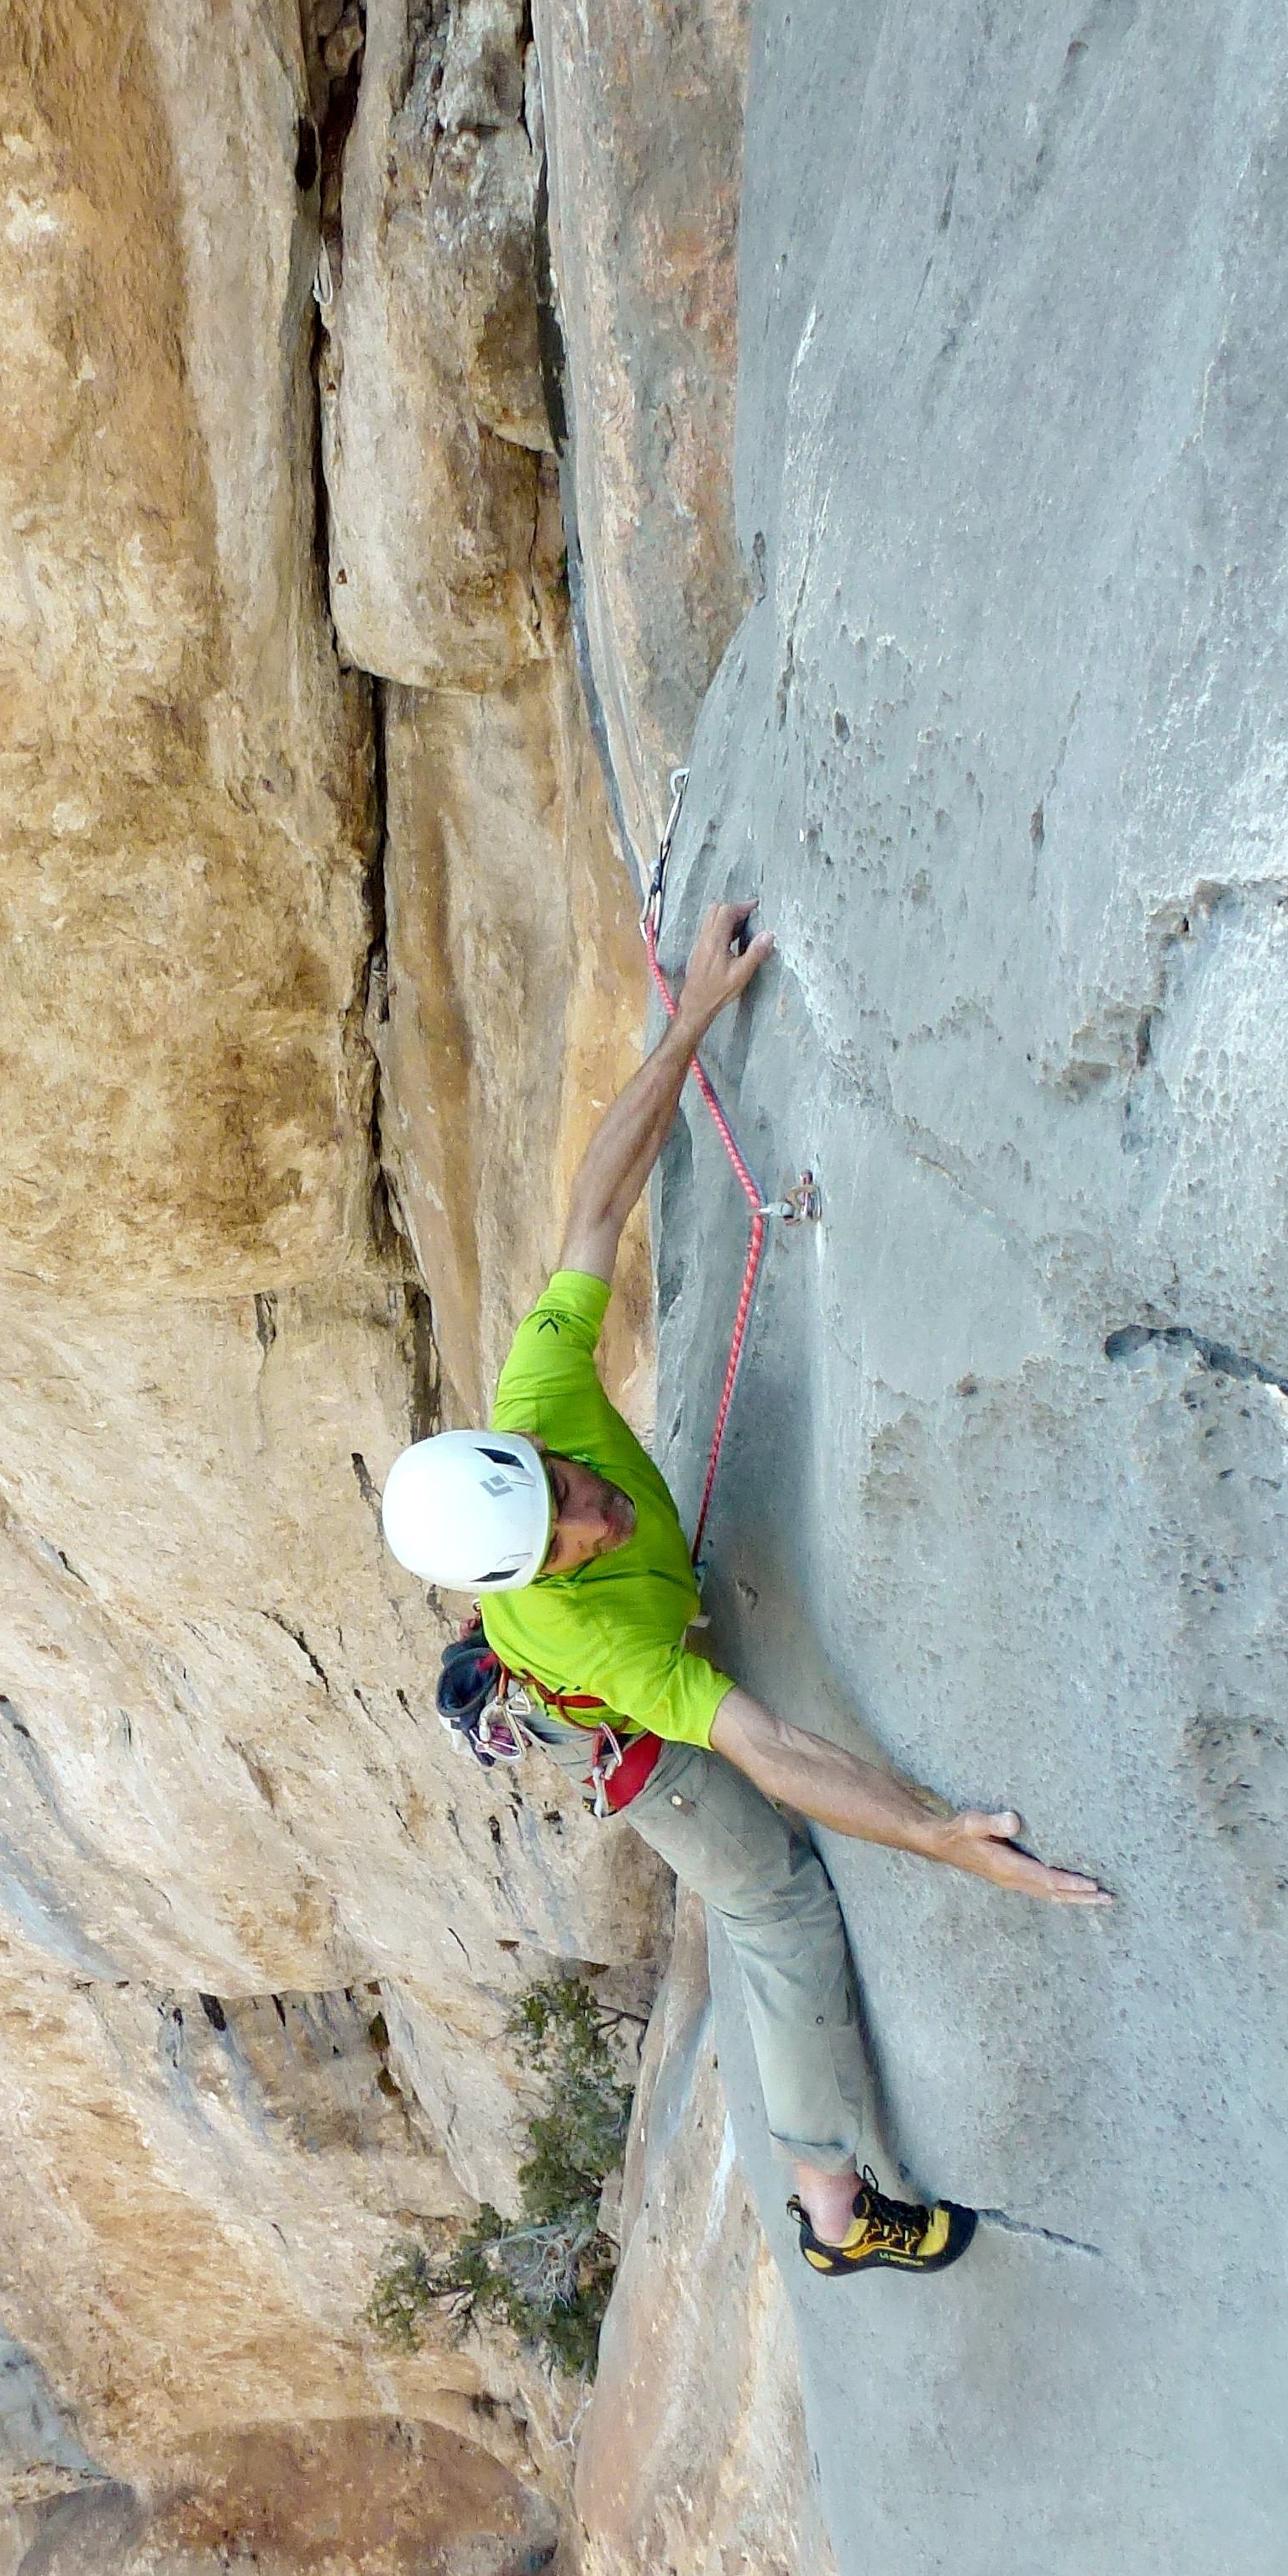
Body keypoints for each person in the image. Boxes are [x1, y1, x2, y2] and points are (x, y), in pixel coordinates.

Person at [379, 898, 1108, 2278]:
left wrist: (695, 1014)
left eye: (565, 1485)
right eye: (564, 1536)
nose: (593, 1510)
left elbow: (597, 1200)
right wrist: (939, 1831)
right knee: (771, 1906)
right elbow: (767, 1752)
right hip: (622, 1730)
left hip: (585, 1649)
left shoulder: (541, 1394)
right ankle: (837, 2212)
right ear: (525, 1580)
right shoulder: (591, 1629)